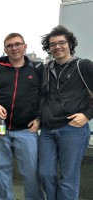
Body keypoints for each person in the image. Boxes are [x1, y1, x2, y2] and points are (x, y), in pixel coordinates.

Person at [0, 33, 44, 200]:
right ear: (5, 49)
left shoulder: (37, 69)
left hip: (26, 130)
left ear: (25, 46)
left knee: (31, 171)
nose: (14, 48)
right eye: (9, 45)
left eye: (17, 44)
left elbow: (47, 97)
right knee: (1, 168)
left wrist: (40, 118)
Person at [38, 25, 93, 200]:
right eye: (53, 44)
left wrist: (87, 115)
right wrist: (39, 117)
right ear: (49, 48)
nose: (57, 46)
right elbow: (41, 97)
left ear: (70, 44)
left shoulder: (82, 65)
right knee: (45, 174)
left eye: (62, 42)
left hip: (72, 129)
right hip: (47, 129)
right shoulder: (45, 69)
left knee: (68, 179)